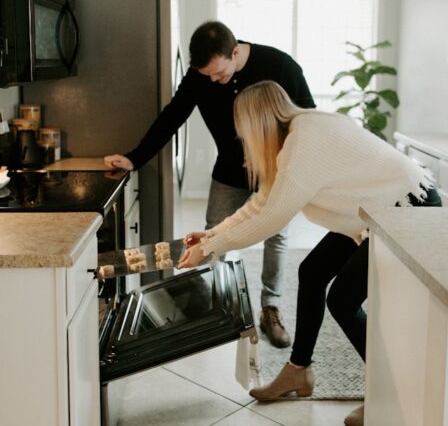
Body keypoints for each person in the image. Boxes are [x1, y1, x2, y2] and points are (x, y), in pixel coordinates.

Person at [178, 80, 442, 426]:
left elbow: (270, 218)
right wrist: (211, 234)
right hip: (372, 211)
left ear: (257, 123)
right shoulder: (296, 135)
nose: (242, 139)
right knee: (313, 271)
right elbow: (262, 203)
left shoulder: (303, 144)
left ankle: (385, 395)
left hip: (405, 206)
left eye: (242, 131)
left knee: (342, 299)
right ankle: (298, 371)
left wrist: (210, 248)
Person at [104, 21, 316, 348]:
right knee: (213, 232)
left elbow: (308, 118)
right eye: (208, 77)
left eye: (219, 74)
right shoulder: (201, 76)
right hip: (229, 171)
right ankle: (216, 305)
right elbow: (172, 116)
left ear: (235, 52)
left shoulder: (279, 65)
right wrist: (135, 158)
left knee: (277, 235)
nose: (214, 81)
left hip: (276, 169)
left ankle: (270, 308)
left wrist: (282, 155)